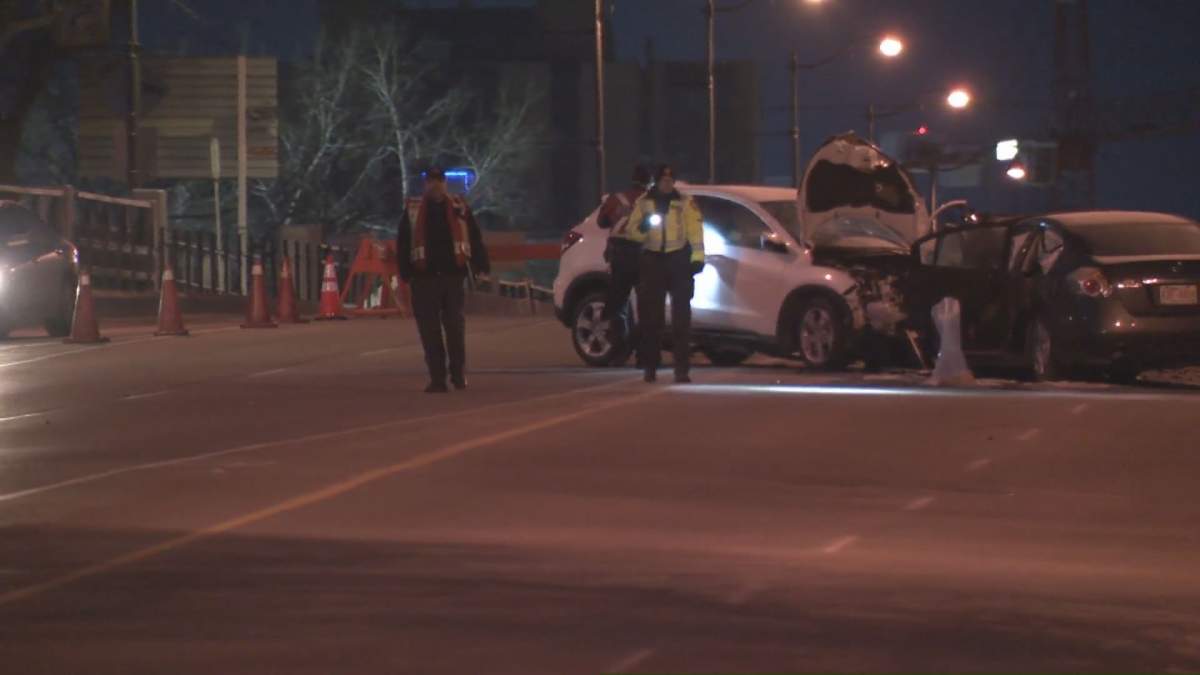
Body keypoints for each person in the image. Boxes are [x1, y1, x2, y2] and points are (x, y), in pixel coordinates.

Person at [397, 167, 490, 393]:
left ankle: (458, 375)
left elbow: (474, 236)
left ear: (445, 183)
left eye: (438, 181)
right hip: (424, 278)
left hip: (452, 276)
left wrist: (481, 266)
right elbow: (403, 242)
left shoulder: (460, 207)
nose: (435, 185)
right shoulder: (413, 211)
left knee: (455, 328)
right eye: (431, 181)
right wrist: (405, 272)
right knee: (429, 332)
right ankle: (437, 379)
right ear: (426, 184)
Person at [624, 164, 705, 383]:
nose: (667, 184)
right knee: (652, 319)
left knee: (681, 319)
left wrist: (697, 258)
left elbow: (695, 231)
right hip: (653, 261)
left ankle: (682, 370)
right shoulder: (643, 203)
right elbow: (631, 232)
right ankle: (650, 367)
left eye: (670, 180)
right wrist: (642, 228)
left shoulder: (685, 202)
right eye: (663, 180)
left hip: (678, 260)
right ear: (657, 181)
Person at [597, 164, 651, 356]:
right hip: (643, 255)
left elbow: (601, 222)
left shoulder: (616, 199)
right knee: (645, 307)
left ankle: (619, 349)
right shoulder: (651, 202)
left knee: (618, 303)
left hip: (619, 256)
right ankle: (643, 352)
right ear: (648, 182)